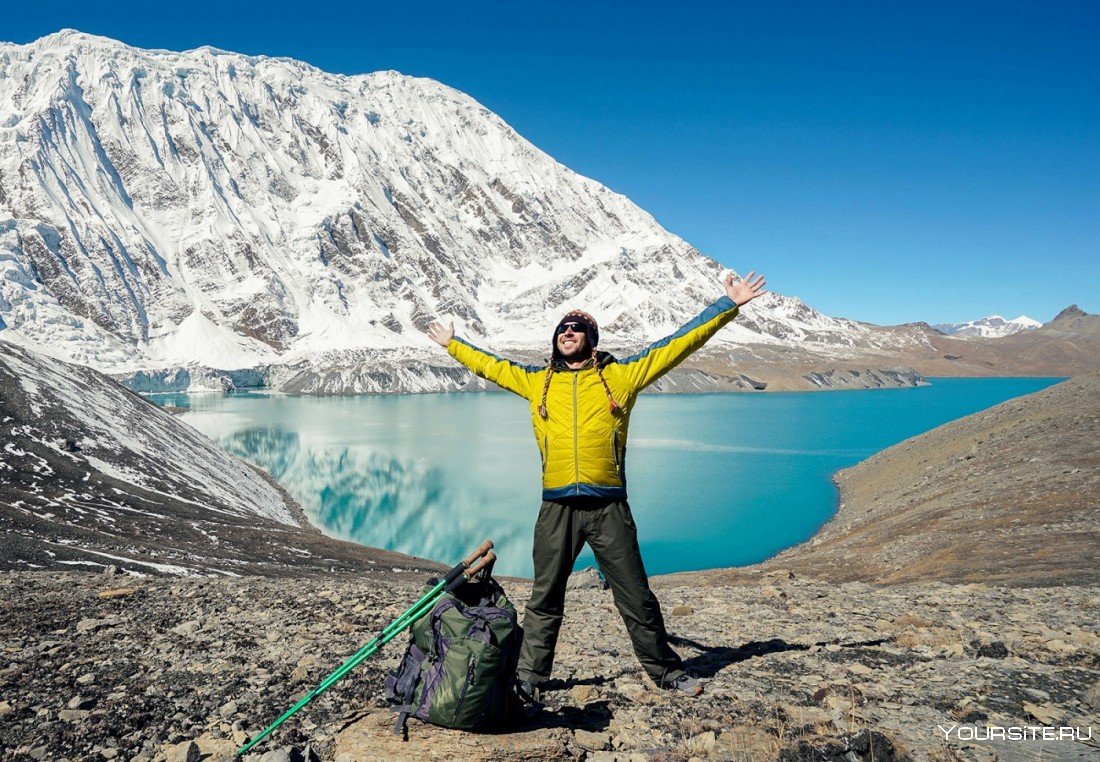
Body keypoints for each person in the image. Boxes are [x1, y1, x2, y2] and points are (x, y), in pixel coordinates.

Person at [426, 271, 767, 698]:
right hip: (557, 509)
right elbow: (492, 367)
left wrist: (728, 306)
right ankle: (531, 679)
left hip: (609, 508)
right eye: (562, 330)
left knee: (636, 595)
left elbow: (679, 344)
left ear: (591, 338)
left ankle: (665, 671)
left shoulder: (621, 377)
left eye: (577, 329)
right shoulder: (537, 382)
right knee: (545, 598)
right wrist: (452, 345)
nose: (568, 333)